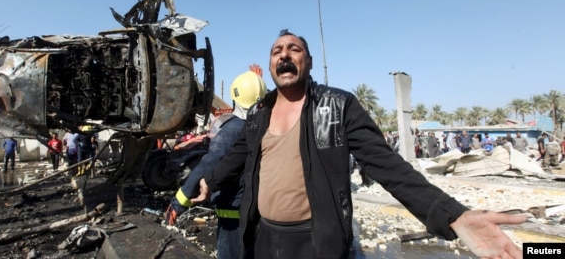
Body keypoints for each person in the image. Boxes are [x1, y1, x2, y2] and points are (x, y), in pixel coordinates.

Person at [191, 30, 525, 259]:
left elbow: (387, 166)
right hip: (262, 238)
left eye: (294, 49)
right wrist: (209, 181)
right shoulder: (260, 113)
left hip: (315, 243)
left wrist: (454, 216)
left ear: (307, 60)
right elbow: (238, 156)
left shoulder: (339, 106)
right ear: (271, 67)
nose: (285, 55)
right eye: (277, 51)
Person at [165, 68, 267, 259]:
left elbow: (208, 165)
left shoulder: (232, 130)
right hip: (259, 215)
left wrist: (178, 203)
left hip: (233, 217)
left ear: (235, 96)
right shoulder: (265, 128)